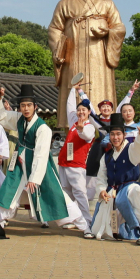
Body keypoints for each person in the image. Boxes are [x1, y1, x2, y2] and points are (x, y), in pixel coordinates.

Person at [0, 84, 91, 236]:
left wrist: (35, 178)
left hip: (39, 166)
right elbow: (1, 116)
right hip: (19, 163)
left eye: (29, 105)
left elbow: (41, 155)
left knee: (55, 194)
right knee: (8, 189)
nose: (26, 108)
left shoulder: (43, 128)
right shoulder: (19, 119)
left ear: (35, 106)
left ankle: (85, 226)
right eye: (23, 105)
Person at [48, 0, 126, 128]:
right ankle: (73, 129)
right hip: (73, 57)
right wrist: (59, 49)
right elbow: (54, 28)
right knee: (73, 96)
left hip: (99, 59)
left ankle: (104, 126)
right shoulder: (64, 4)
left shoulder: (107, 3)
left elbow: (119, 27)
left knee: (100, 95)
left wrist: (107, 32)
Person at [91, 113, 140, 245]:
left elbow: (138, 151)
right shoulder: (107, 156)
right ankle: (122, 230)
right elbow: (101, 177)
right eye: (112, 134)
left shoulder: (130, 148)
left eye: (118, 134)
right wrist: (102, 190)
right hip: (112, 191)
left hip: (129, 186)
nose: (115, 137)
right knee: (100, 228)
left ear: (124, 135)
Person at [57, 84, 96, 230]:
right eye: (79, 110)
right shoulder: (74, 122)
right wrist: (73, 89)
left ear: (89, 112)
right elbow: (69, 107)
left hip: (77, 165)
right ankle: (71, 219)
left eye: (83, 110)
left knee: (80, 194)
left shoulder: (89, 126)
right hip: (63, 162)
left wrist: (81, 129)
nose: (80, 112)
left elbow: (87, 135)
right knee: (66, 192)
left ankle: (87, 222)